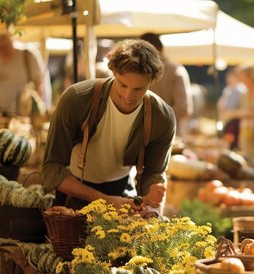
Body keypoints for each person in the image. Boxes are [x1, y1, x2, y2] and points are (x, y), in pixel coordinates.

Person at [42, 39, 176, 217]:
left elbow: (154, 172)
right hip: (73, 192)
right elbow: (52, 169)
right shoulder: (77, 99)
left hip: (122, 191)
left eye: (138, 88)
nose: (128, 96)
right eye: (122, 84)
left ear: (152, 82)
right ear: (112, 71)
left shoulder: (162, 117)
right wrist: (105, 200)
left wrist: (154, 192)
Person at [0, 32, 52, 116]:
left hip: (24, 116)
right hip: (0, 114)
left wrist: (37, 111)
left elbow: (40, 83)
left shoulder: (28, 55)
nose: (4, 50)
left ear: (12, 40)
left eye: (6, 45)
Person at [141, 33, 193, 139]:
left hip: (166, 138)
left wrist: (149, 118)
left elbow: (183, 109)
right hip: (163, 136)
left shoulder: (175, 70)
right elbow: (184, 109)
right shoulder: (176, 70)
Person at [217, 67, 246, 149]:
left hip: (235, 119)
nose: (228, 79)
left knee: (231, 139)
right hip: (228, 119)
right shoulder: (228, 89)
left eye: (230, 77)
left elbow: (232, 106)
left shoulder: (239, 89)